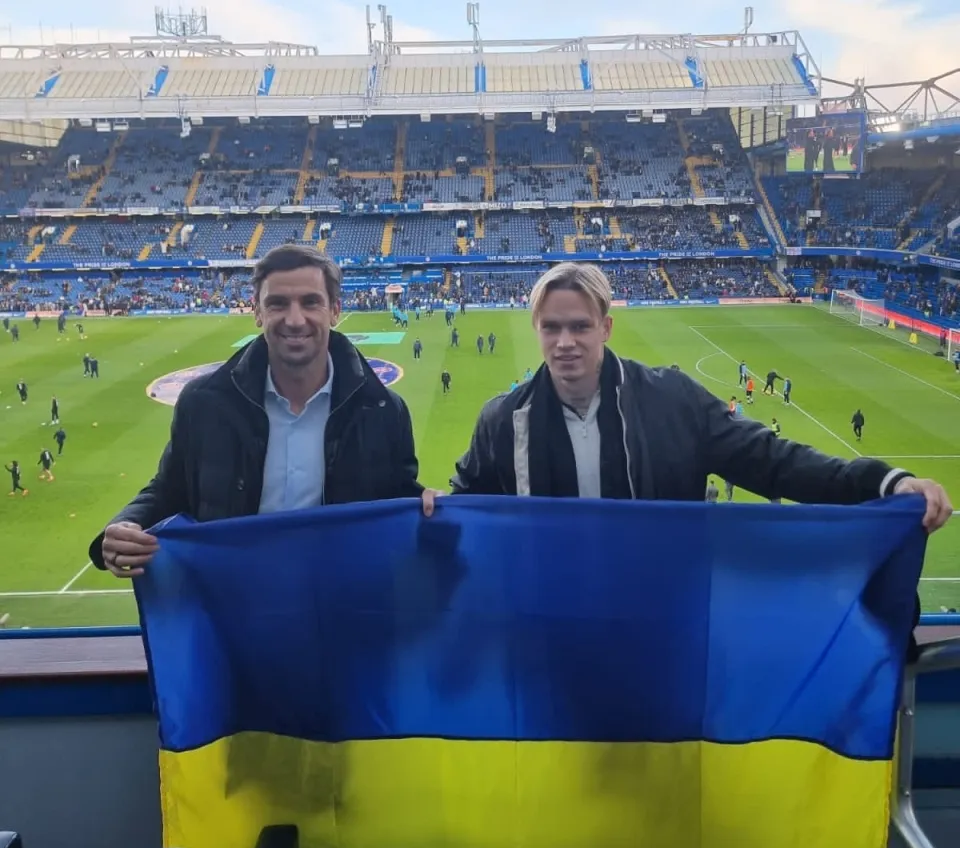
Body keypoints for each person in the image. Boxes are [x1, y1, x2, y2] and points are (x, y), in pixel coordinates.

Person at [450, 262, 952, 534]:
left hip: (660, 615)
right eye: (551, 327)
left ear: (605, 327)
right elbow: (458, 511)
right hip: (552, 618)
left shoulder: (672, 400)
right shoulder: (502, 420)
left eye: (580, 326)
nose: (565, 342)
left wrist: (884, 482)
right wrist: (424, 509)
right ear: (536, 330)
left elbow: (771, 461)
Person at [91, 245, 435, 579]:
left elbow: (399, 501)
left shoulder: (383, 411)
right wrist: (125, 525)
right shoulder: (204, 404)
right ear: (257, 311)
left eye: (311, 302)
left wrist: (437, 508)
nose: (295, 319)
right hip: (236, 611)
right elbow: (169, 489)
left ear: (335, 310)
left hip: (338, 613)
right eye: (278, 304)